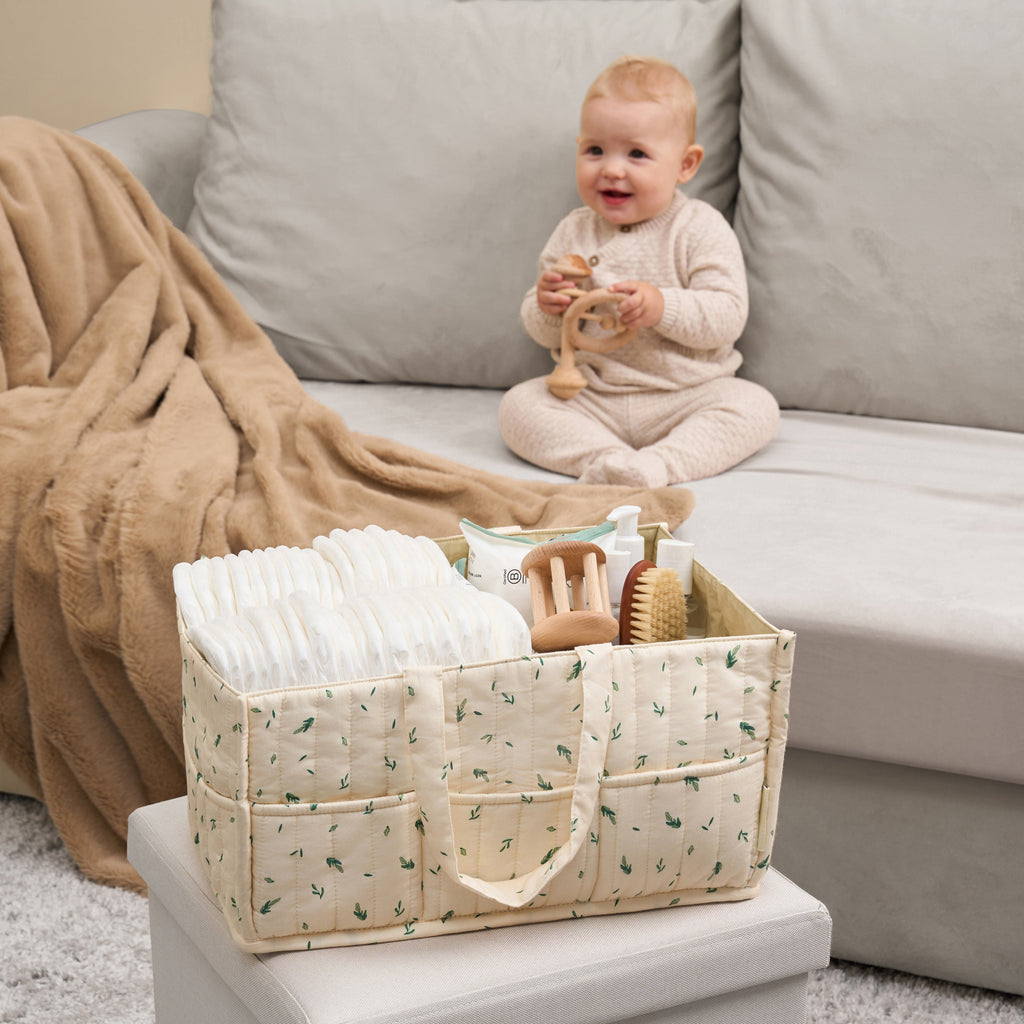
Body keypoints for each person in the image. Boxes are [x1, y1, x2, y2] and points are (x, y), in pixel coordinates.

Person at [498, 56, 779, 487]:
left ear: (685, 165)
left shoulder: (698, 227)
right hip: (593, 394)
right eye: (595, 150)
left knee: (754, 406)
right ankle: (609, 462)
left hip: (685, 395)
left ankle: (660, 464)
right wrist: (547, 306)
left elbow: (727, 316)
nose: (611, 168)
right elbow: (549, 334)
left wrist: (661, 306)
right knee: (519, 407)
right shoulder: (574, 231)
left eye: (636, 154)